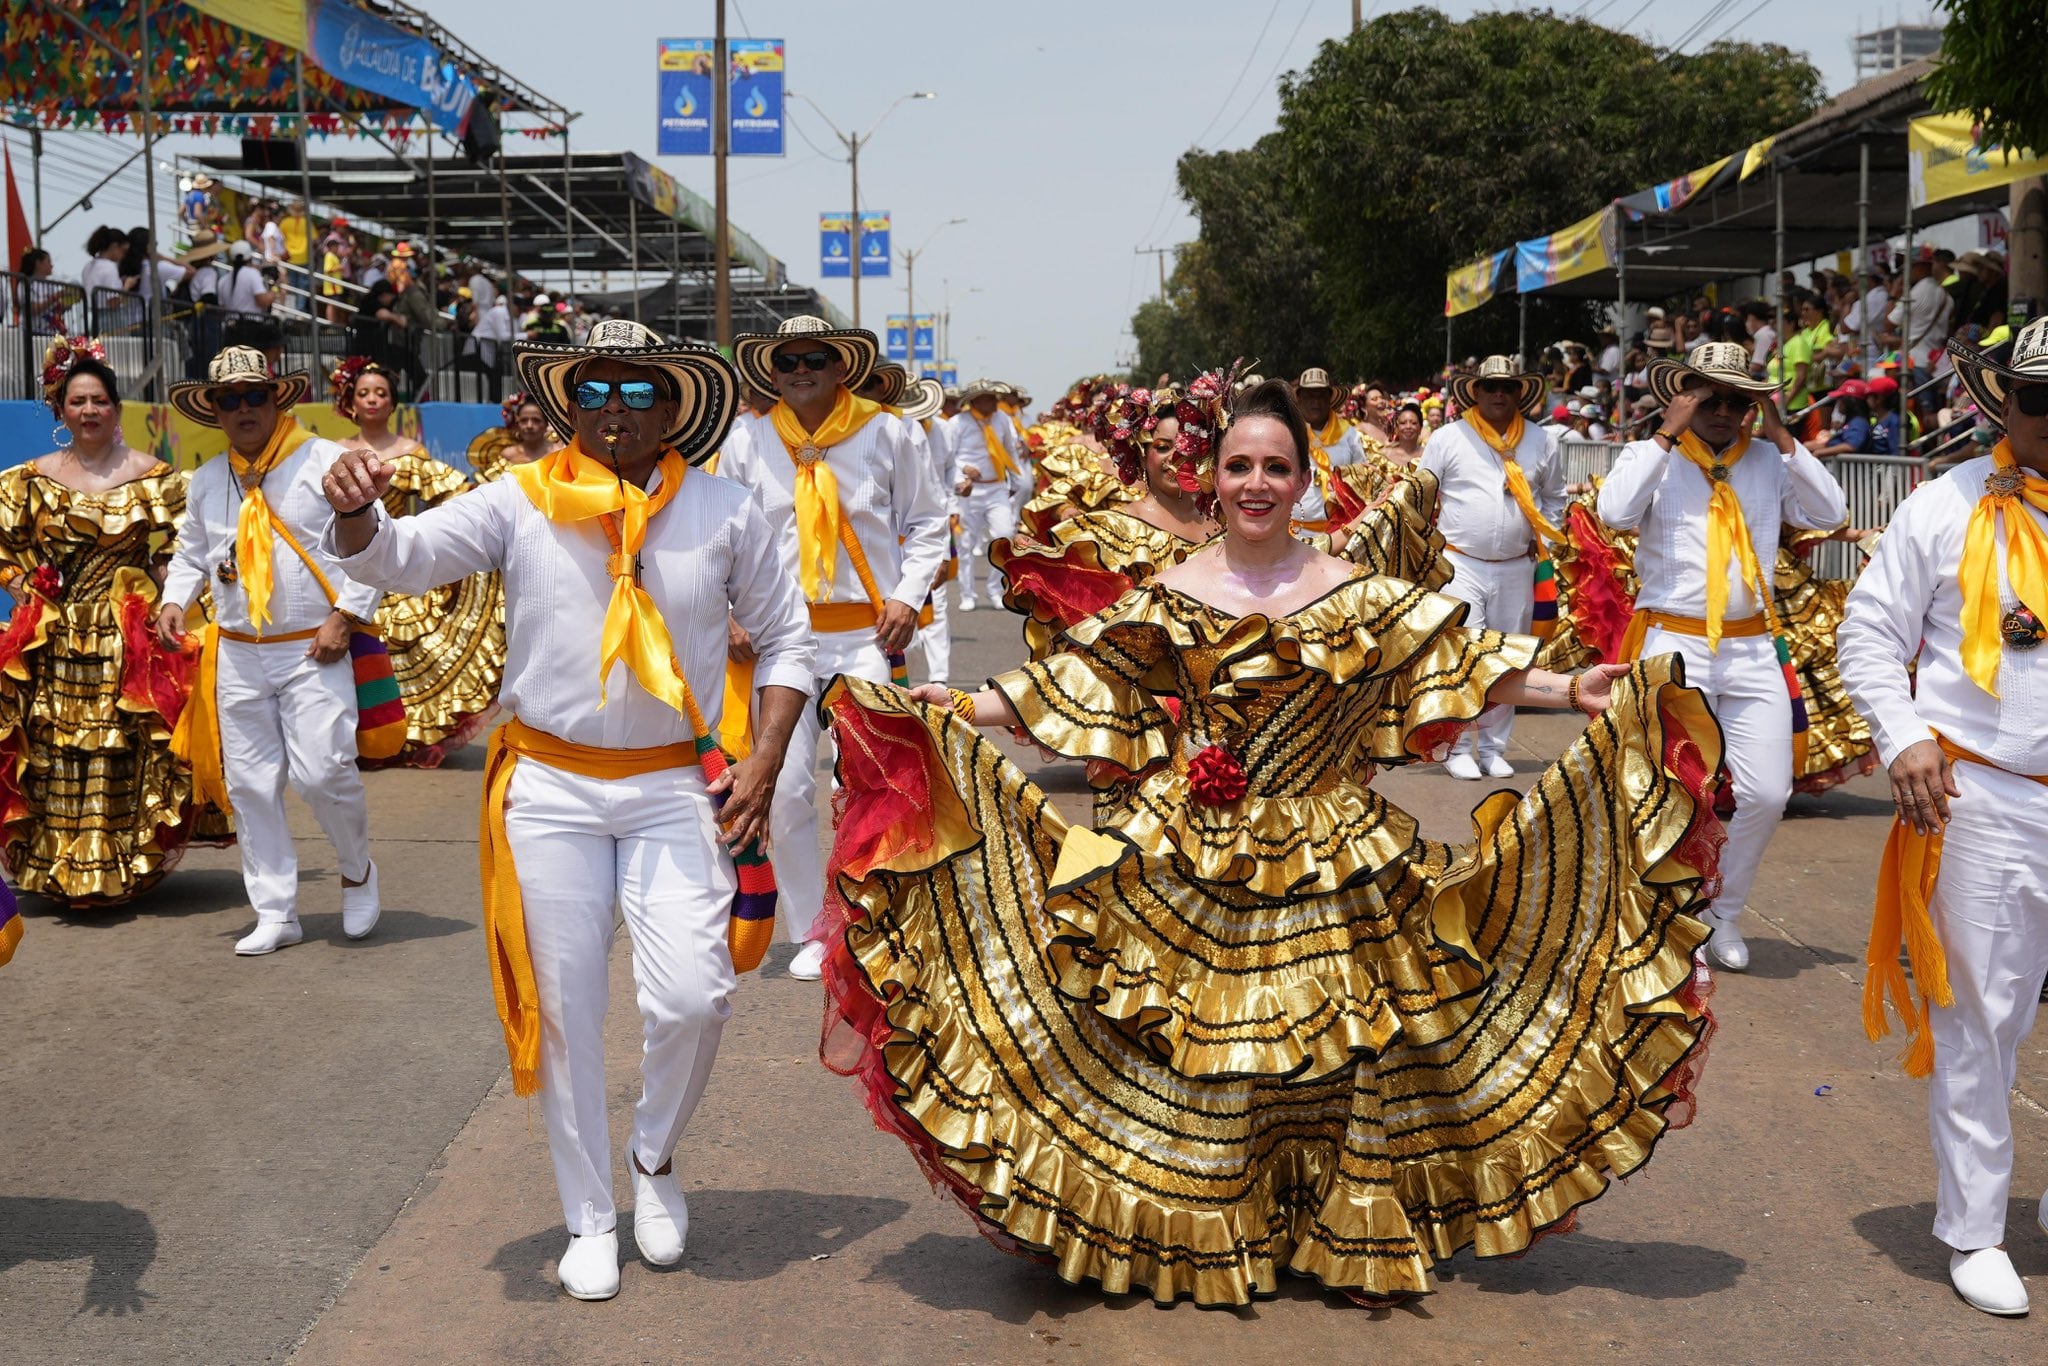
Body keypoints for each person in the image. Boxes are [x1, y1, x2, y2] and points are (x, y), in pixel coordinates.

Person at [814, 371, 1721, 1306]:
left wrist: (1569, 689)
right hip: (1198, 850)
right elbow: (1080, 682)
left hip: (1335, 851)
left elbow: (1453, 662)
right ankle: (1209, 1222)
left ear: (1302, 481)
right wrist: (962, 706)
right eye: (1239, 465)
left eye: (1276, 467)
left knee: (1346, 1048)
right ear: (1213, 477)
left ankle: (1345, 1219)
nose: (1256, 483)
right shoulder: (1173, 589)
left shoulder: (1353, 589)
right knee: (1208, 1049)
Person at [320, 319, 814, 1302]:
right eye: (594, 391)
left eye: (637, 393)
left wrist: (764, 759)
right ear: (568, 405)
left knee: (695, 997)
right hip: (550, 785)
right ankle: (589, 1214)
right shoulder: (521, 497)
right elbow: (401, 558)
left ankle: (653, 1156)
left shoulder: (725, 509)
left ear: (673, 409)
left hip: (675, 783)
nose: (613, 411)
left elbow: (787, 638)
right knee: (568, 1006)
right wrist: (357, 517)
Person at [1837, 317, 2048, 1318]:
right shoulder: (1943, 504)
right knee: (1979, 1019)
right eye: (2039, 398)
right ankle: (1974, 1230)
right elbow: (1868, 634)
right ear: (2004, 402)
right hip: (1983, 796)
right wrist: (1902, 735)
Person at [1596, 342, 1847, 971]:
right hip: (1675, 643)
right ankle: (1663, 915)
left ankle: (1723, 914)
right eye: (1711, 398)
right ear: (1684, 397)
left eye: (1739, 401)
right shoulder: (1652, 455)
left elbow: (1831, 512)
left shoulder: (1765, 459)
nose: (1725, 412)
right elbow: (1614, 513)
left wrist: (1783, 435)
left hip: (1753, 645)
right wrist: (1666, 434)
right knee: (1669, 792)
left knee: (1767, 791)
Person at [718, 315, 948, 982]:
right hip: (779, 640)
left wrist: (907, 594)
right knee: (785, 789)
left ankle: (867, 917)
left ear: (840, 367)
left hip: (863, 638)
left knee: (870, 783)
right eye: (787, 360)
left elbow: (928, 520)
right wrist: (728, 611)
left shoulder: (889, 432)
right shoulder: (747, 441)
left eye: (814, 359)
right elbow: (721, 532)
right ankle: (810, 930)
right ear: (771, 371)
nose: (800, 371)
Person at [155, 347, 382, 956]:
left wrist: (345, 617)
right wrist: (175, 600)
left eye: (255, 395)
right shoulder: (208, 479)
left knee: (323, 771)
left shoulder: (325, 461)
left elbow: (374, 540)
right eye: (230, 399)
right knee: (251, 785)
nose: (244, 408)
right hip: (236, 652)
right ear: (214, 410)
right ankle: (276, 911)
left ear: (277, 399)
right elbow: (192, 552)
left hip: (312, 648)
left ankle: (357, 871)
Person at [0, 337, 217, 905]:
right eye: (77, 401)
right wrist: (19, 580)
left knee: (122, 747)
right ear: (60, 409)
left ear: (117, 410)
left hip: (128, 635)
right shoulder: (28, 480)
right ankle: (61, 866)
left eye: (99, 400)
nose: (89, 410)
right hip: (55, 635)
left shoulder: (155, 478)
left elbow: (186, 549)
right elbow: (5, 544)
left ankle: (119, 863)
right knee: (57, 748)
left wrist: (174, 592)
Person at [330, 358, 504, 767]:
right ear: (350, 402)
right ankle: (357, 739)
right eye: (364, 393)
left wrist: (426, 535)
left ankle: (402, 740)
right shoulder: (334, 452)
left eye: (381, 393)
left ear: (393, 403)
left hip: (395, 563)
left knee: (405, 659)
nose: (373, 399)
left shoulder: (410, 453)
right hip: (346, 567)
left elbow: (455, 494)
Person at [1418, 354, 1567, 781]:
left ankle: (1493, 748)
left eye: (1508, 387)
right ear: (1476, 392)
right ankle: (1458, 746)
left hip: (1518, 566)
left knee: (1508, 656)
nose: (1499, 394)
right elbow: (1421, 495)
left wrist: (1543, 535)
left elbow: (1555, 496)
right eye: (1491, 387)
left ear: (1520, 393)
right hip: (1460, 562)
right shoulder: (1449, 438)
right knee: (1465, 654)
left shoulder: (1542, 440)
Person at [995, 384, 1214, 662]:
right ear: (1141, 453)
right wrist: (1048, 548)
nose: (1175, 457)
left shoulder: (1226, 526)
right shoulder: (1108, 532)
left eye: (1186, 445)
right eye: (1162, 447)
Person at [946, 377, 1031, 612]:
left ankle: (994, 589)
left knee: (1004, 537)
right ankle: (967, 594)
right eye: (989, 398)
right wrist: (963, 471)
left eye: (995, 397)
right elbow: (948, 458)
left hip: (996, 488)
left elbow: (1010, 451)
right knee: (966, 544)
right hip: (969, 492)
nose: (995, 401)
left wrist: (1017, 481)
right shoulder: (957, 423)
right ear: (975, 401)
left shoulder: (1002, 419)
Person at [1292, 366, 1368, 532]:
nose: (1315, 402)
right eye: (1309, 396)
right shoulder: (1289, 433)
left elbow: (1362, 476)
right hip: (1294, 531)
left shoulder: (1348, 434)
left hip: (1342, 531)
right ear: (1299, 398)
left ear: (1330, 398)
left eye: (1321, 395)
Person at [467, 390, 562, 482]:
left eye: (536, 420)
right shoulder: (507, 455)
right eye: (523, 420)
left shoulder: (558, 454)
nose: (529, 426)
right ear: (517, 424)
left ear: (546, 424)